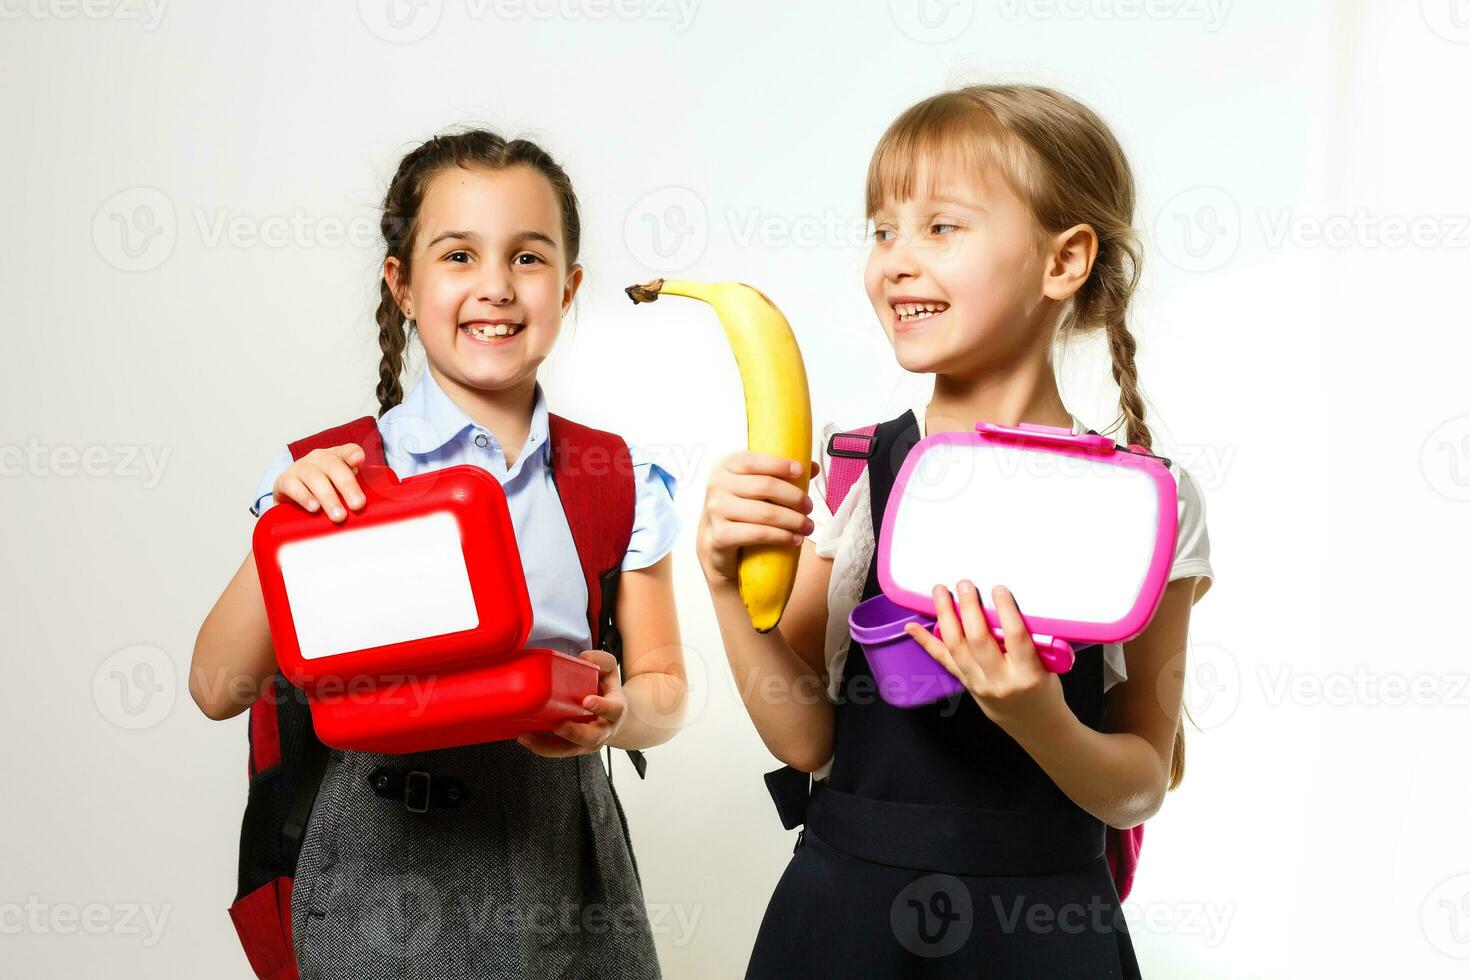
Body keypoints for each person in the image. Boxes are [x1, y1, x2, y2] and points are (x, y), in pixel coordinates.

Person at [698, 85, 1215, 977]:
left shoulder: (1148, 503)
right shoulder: (866, 471)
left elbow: (1138, 784)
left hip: (1043, 934)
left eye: (941, 227)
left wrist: (1039, 719)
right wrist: (723, 588)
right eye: (883, 229)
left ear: (1065, 261)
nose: (896, 260)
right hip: (840, 921)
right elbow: (807, 740)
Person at [191, 130, 687, 979]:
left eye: (527, 257)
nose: (494, 285)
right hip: (374, 871)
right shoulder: (327, 476)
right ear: (405, 286)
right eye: (458, 254)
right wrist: (284, 524)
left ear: (567, 291)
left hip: (561, 857)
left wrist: (620, 712)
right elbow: (216, 688)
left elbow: (664, 688)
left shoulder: (618, 477)